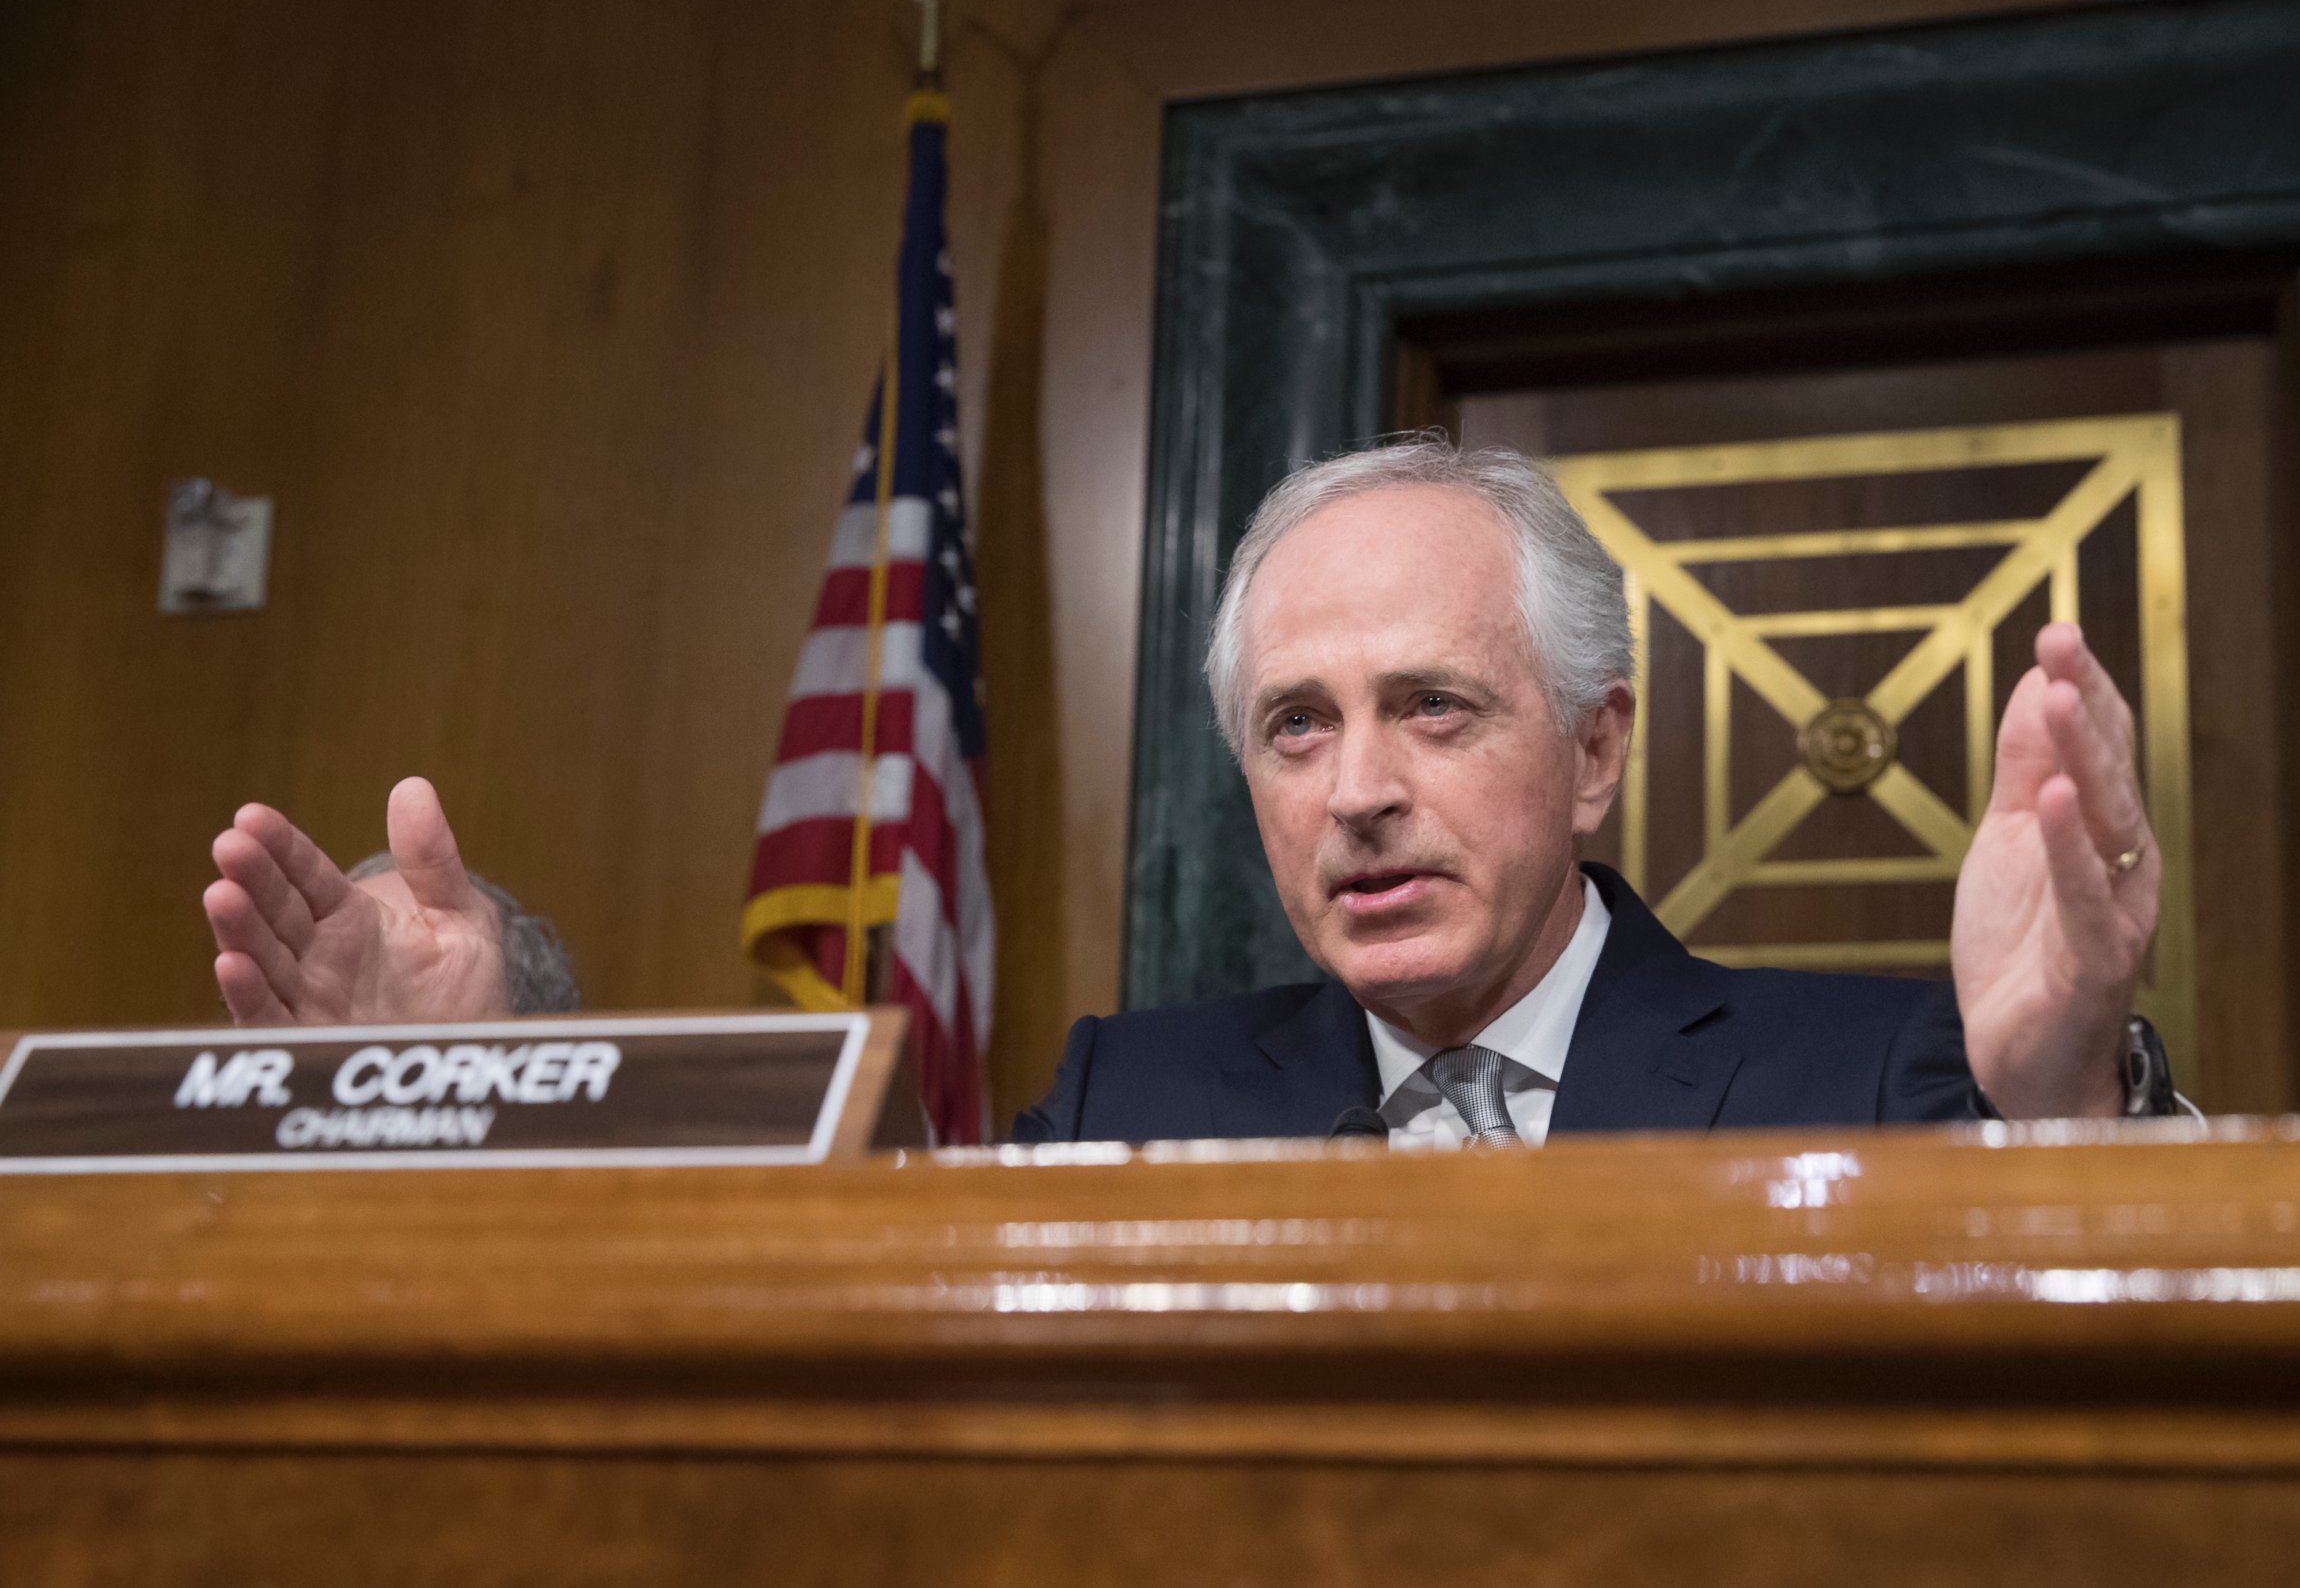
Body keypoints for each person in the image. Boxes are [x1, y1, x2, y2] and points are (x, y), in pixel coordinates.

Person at [202, 438, 2167, 1144]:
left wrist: (2071, 1086)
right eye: (1297, 728)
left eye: (1434, 709)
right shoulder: (1124, 1100)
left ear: (1598, 746)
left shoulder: (1898, 1073)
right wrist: (461, 1081)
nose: (1359, 792)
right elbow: (797, 1324)